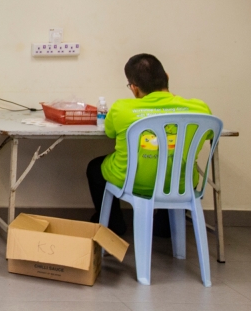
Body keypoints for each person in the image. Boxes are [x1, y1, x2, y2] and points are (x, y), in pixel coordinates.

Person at [87, 53, 211, 238]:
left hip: (134, 182)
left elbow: (110, 132)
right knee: (171, 167)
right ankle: (165, 225)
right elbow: (209, 134)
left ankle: (114, 225)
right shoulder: (199, 108)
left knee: (95, 168)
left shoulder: (122, 108)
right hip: (180, 184)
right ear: (167, 77)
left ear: (134, 88)